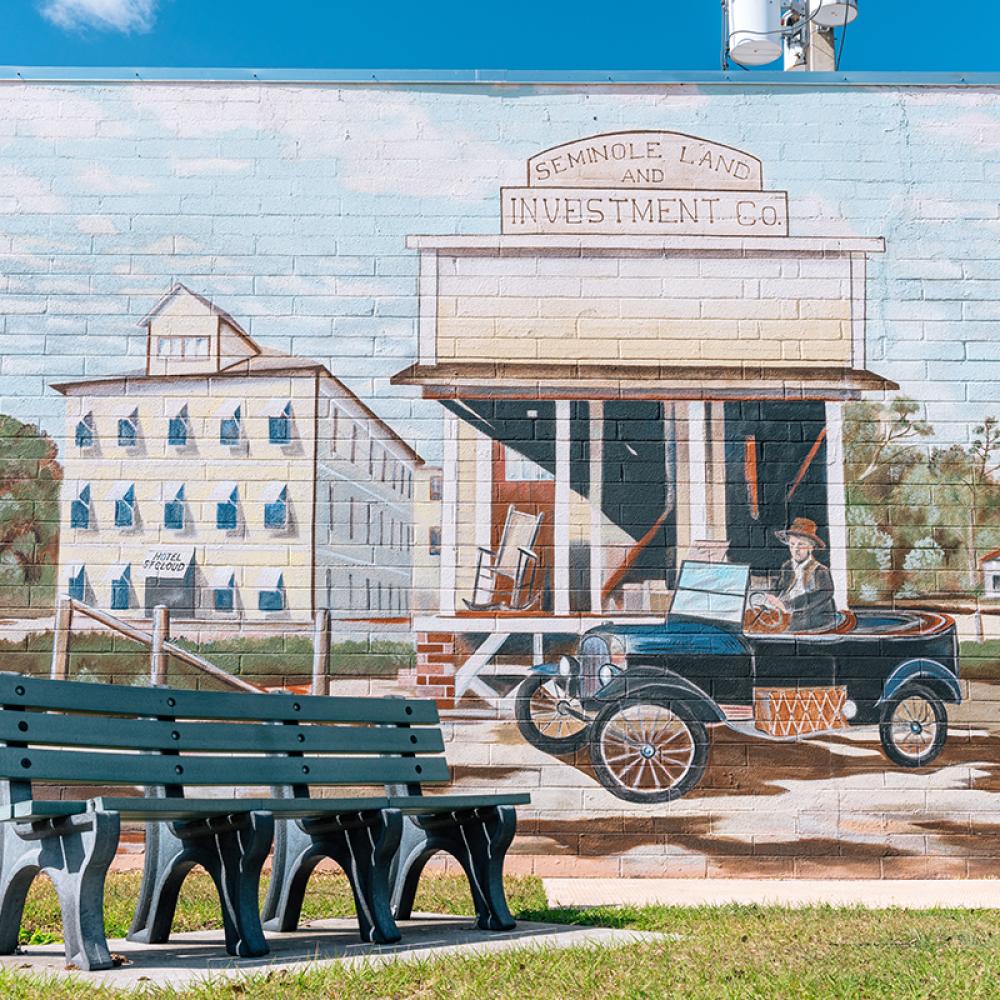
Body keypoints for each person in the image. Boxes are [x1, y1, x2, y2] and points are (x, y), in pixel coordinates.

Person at [764, 517, 837, 632]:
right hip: (788, 616)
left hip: (815, 621)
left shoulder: (820, 571)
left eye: (801, 545)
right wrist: (771, 596)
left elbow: (820, 595)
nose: (795, 549)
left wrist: (789, 605)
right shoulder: (787, 566)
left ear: (811, 547)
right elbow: (779, 585)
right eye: (792, 544)